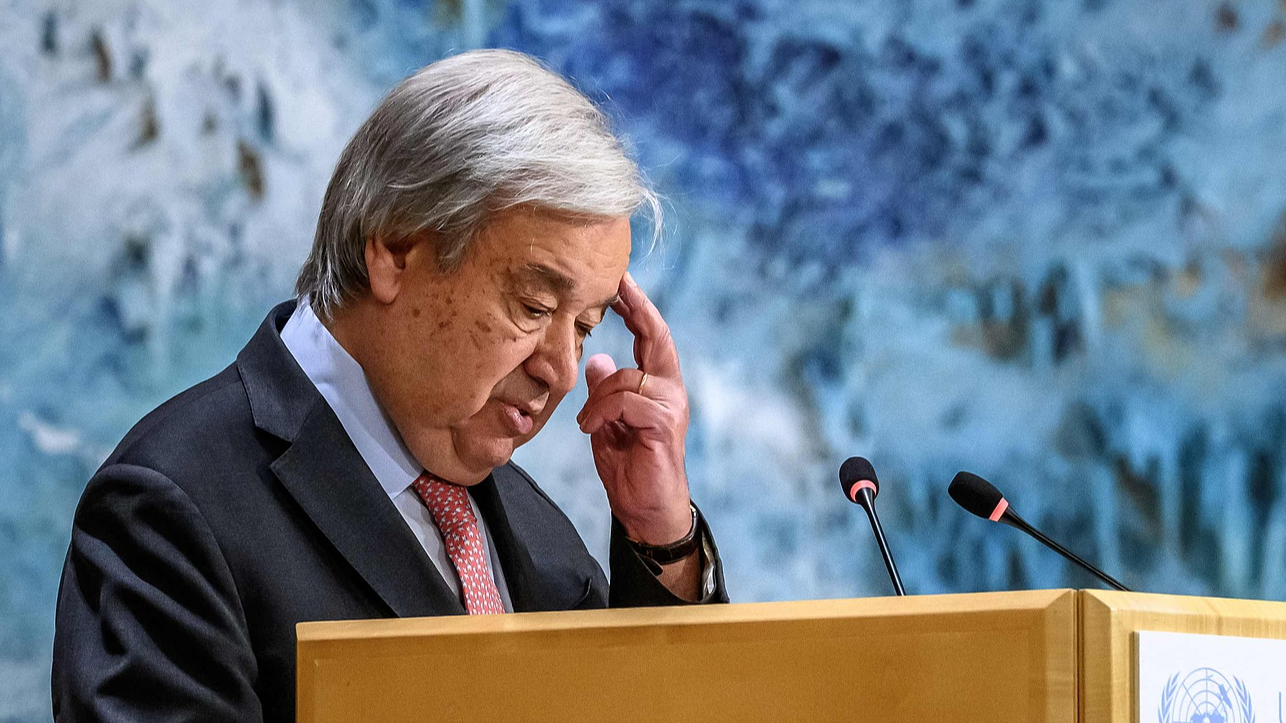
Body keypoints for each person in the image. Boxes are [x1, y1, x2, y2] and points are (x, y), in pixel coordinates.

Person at [52, 49, 727, 722]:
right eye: (534, 307)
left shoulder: (535, 528)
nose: (561, 369)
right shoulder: (170, 505)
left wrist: (659, 536)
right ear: (395, 250)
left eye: (585, 325)